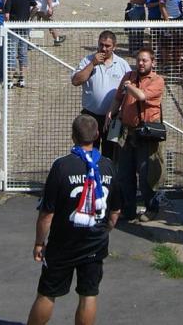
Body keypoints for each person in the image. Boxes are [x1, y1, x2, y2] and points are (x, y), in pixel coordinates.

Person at [26, 115, 121, 325]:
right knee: (88, 294)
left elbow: (47, 213)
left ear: (72, 136)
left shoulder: (61, 167)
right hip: (95, 242)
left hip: (63, 243)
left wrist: (39, 242)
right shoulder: (108, 166)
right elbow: (115, 211)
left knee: (47, 293)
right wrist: (105, 231)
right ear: (97, 135)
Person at [109, 47, 165, 222]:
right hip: (127, 132)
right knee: (124, 174)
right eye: (139, 60)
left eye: (145, 60)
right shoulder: (128, 77)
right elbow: (118, 97)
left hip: (146, 134)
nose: (140, 63)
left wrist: (129, 86)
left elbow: (141, 96)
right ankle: (129, 210)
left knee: (147, 174)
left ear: (152, 63)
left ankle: (152, 207)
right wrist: (111, 113)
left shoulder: (157, 81)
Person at [71, 31, 131, 159]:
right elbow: (76, 81)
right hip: (90, 118)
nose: (103, 49)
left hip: (113, 118)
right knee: (88, 154)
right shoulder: (88, 61)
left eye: (107, 46)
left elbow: (130, 90)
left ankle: (107, 178)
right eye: (101, 45)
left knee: (111, 156)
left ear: (114, 46)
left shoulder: (122, 65)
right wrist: (92, 64)